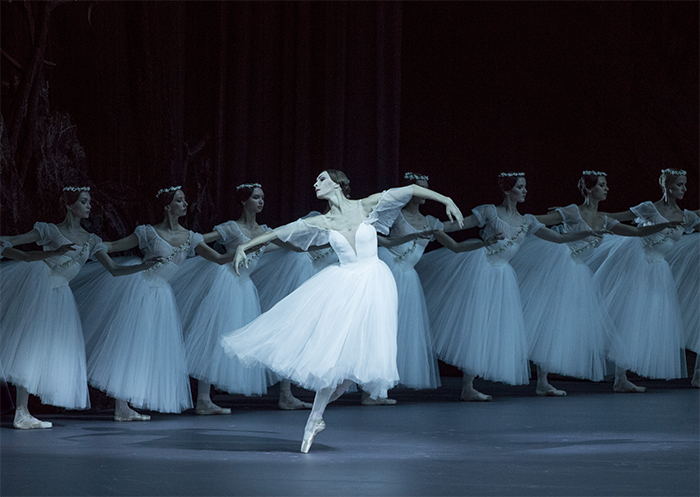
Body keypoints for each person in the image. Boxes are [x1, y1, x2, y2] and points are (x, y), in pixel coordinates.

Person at [221, 170, 463, 453]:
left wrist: (446, 199)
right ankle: (315, 418)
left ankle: (318, 413)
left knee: (350, 370)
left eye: (321, 179)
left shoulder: (367, 205)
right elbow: (280, 231)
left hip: (374, 283)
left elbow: (410, 189)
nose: (315, 183)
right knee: (334, 358)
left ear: (337, 183)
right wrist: (245, 246)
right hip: (343, 286)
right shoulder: (321, 222)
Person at [418, 172, 606, 400]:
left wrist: (585, 232)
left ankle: (476, 385)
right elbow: (459, 225)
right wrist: (431, 226)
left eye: (525, 186)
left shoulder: (527, 221)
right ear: (508, 190)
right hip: (481, 270)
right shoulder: (489, 211)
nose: (525, 191)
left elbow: (555, 238)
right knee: (476, 324)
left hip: (502, 276)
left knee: (492, 327)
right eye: (520, 187)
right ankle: (468, 386)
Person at [72, 186, 239, 420]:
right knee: (129, 345)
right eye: (179, 200)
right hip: (139, 289)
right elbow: (113, 246)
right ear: (166, 206)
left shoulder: (192, 238)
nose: (185, 204)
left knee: (147, 349)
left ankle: (125, 405)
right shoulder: (147, 233)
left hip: (161, 296)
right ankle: (122, 406)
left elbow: (220, 259)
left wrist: (244, 249)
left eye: (184, 199)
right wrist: (91, 244)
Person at [0, 187, 157, 429]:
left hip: (60, 294)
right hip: (39, 287)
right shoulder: (49, 230)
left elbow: (114, 270)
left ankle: (24, 411)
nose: (89, 206)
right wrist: (45, 250)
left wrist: (143, 266)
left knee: (43, 351)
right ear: (69, 205)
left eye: (89, 202)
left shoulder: (92, 240)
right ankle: (21, 411)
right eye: (83, 201)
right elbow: (13, 242)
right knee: (29, 348)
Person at [512, 171, 679, 392]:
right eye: (602, 185)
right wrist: (516, 221)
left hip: (579, 272)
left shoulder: (604, 220)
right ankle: (542, 381)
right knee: (552, 321)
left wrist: (662, 225)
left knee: (562, 325)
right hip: (562, 267)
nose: (607, 188)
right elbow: (539, 220)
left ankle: (546, 381)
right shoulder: (573, 211)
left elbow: (636, 232)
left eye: (606, 185)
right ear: (590, 189)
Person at [171, 183, 311, 413]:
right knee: (214, 336)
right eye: (256, 197)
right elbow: (198, 240)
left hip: (244, 289)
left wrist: (328, 239)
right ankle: (203, 399)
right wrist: (176, 241)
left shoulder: (265, 231)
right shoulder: (231, 228)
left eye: (263, 197)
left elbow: (294, 247)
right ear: (244, 201)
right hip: (226, 285)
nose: (261, 201)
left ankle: (205, 400)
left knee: (236, 340)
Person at [593, 169, 699, 387]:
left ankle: (622, 378)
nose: (684, 189)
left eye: (685, 184)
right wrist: (585, 216)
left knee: (646, 321)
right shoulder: (649, 208)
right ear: (668, 186)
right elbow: (616, 218)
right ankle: (621, 378)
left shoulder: (686, 216)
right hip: (638, 264)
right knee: (630, 317)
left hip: (659, 270)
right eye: (680, 184)